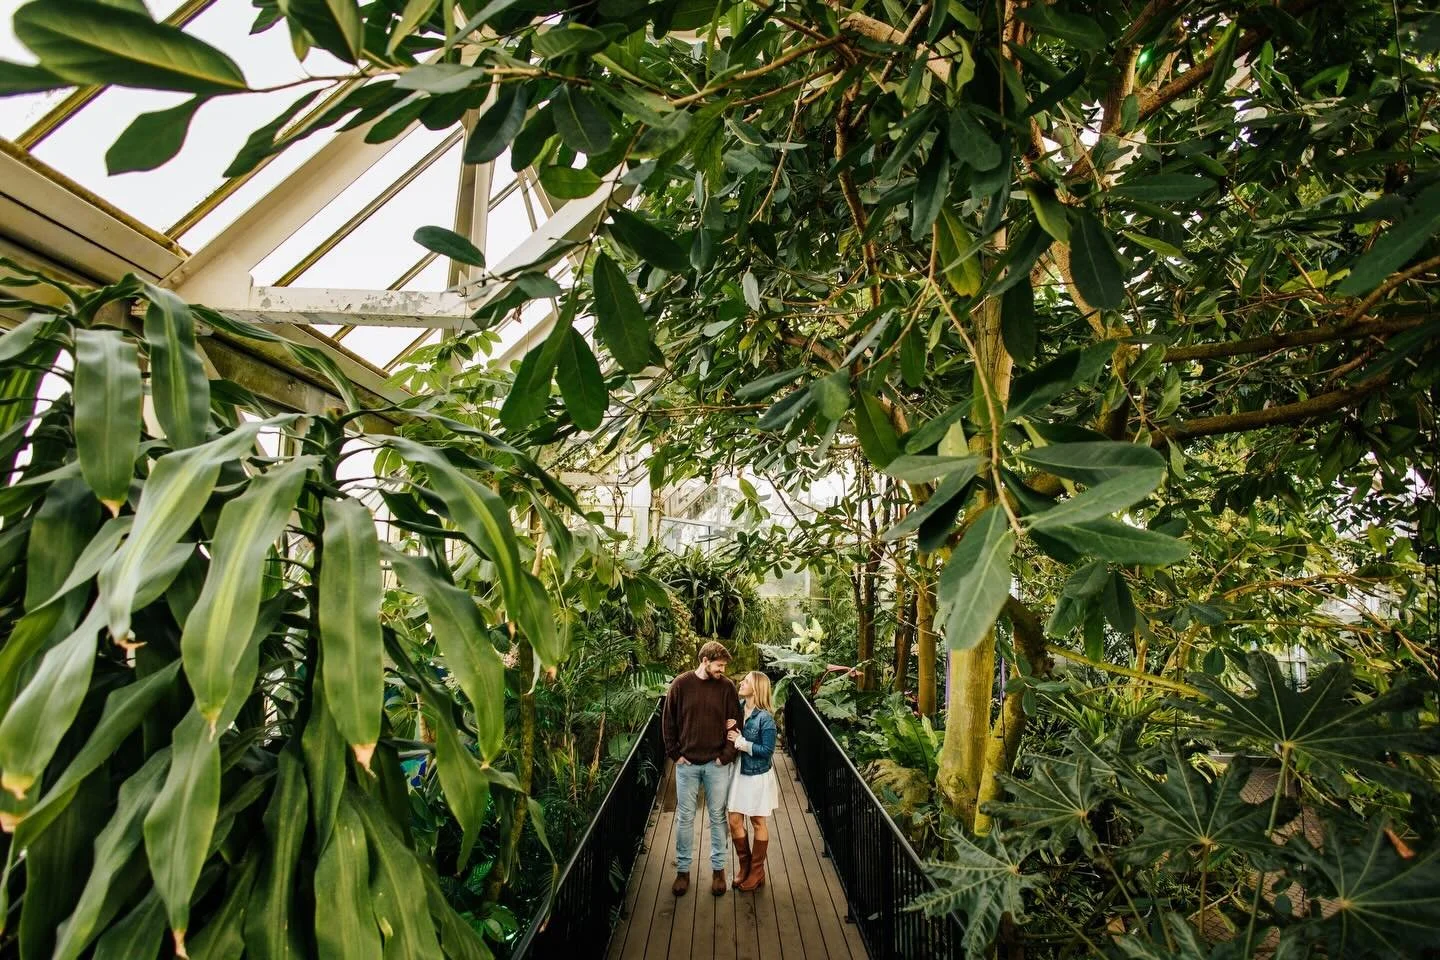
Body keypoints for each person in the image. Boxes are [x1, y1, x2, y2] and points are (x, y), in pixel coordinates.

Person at [662, 640, 743, 897]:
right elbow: (668, 721)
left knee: (717, 817)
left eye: (724, 666)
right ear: (705, 661)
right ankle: (683, 871)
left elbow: (736, 723)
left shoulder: (727, 687)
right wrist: (675, 754)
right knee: (685, 818)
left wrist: (725, 756)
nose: (722, 670)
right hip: (687, 764)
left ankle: (719, 870)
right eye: (719, 665)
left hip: (716, 764)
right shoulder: (681, 685)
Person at [726, 670, 779, 892]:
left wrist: (741, 742)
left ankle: (757, 872)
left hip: (757, 775)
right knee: (734, 820)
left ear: (756, 689)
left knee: (758, 821)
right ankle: (745, 866)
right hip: (739, 772)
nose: (741, 683)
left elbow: (767, 751)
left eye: (746, 681)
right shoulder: (737, 709)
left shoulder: (765, 718)